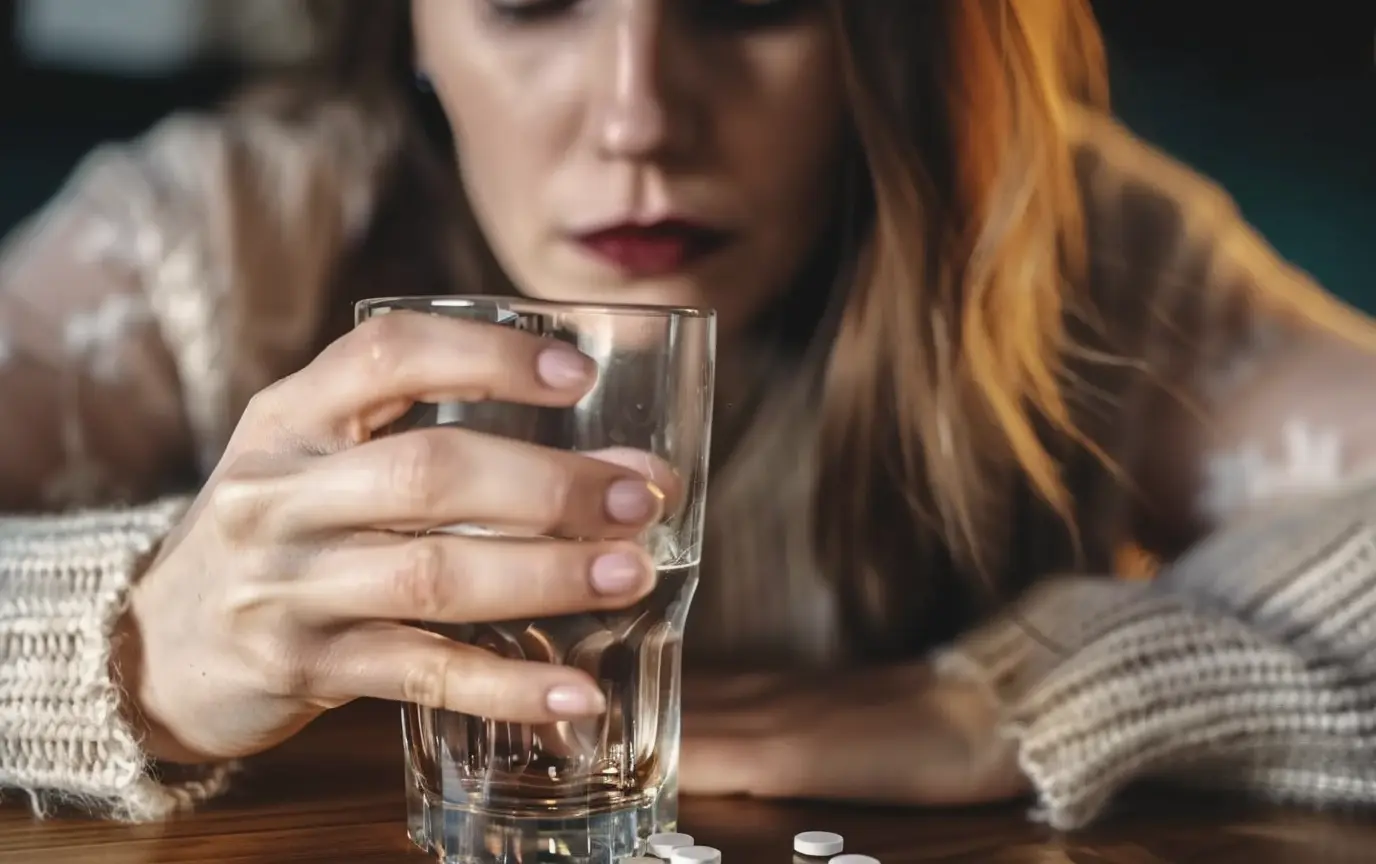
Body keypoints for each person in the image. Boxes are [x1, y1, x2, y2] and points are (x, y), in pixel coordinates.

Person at [3, 0, 1376, 830]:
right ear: (415, 20)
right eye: (535, 0)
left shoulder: (1058, 248)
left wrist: (1031, 697)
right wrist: (129, 648)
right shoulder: (220, 242)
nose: (638, 115)